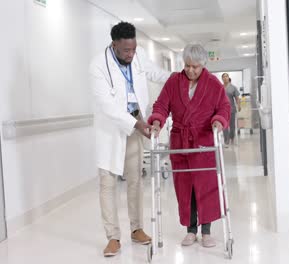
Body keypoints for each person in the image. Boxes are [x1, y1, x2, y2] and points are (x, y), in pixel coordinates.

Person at [89, 21, 172, 257]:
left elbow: (155, 73)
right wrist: (138, 125)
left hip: (136, 119)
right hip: (111, 128)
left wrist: (180, 76)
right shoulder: (97, 66)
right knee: (107, 183)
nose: (131, 54)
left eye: (134, 49)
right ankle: (113, 237)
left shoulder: (138, 54)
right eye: (127, 50)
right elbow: (107, 106)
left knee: (135, 179)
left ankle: (137, 229)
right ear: (114, 45)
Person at [147, 43, 231, 248]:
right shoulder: (173, 81)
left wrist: (218, 121)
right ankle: (191, 230)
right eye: (187, 65)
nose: (191, 70)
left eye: (195, 67)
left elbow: (224, 107)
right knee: (185, 189)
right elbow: (161, 104)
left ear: (203, 65)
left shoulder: (212, 84)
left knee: (206, 187)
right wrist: (157, 121)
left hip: (203, 142)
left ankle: (207, 231)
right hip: (180, 143)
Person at [222, 73, 241, 146]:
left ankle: (232, 137)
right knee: (225, 125)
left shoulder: (233, 87)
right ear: (222, 79)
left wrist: (239, 105)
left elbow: (237, 97)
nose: (225, 78)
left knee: (232, 126)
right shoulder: (220, 87)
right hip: (223, 110)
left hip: (232, 109)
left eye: (226, 76)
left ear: (228, 78)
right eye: (223, 77)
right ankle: (226, 140)